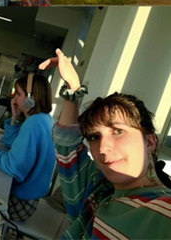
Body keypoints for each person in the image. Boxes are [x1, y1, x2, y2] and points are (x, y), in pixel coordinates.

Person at [39, 49, 171, 239]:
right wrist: (73, 88)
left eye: (118, 131)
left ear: (150, 141)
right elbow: (67, 145)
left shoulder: (163, 212)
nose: (102, 148)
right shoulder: (97, 190)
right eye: (94, 137)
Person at [0, 73, 56, 221]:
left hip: (20, 204)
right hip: (29, 200)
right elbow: (11, 144)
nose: (14, 99)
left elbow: (14, 167)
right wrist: (14, 118)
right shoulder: (43, 119)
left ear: (31, 98)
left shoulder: (34, 124)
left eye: (19, 94)